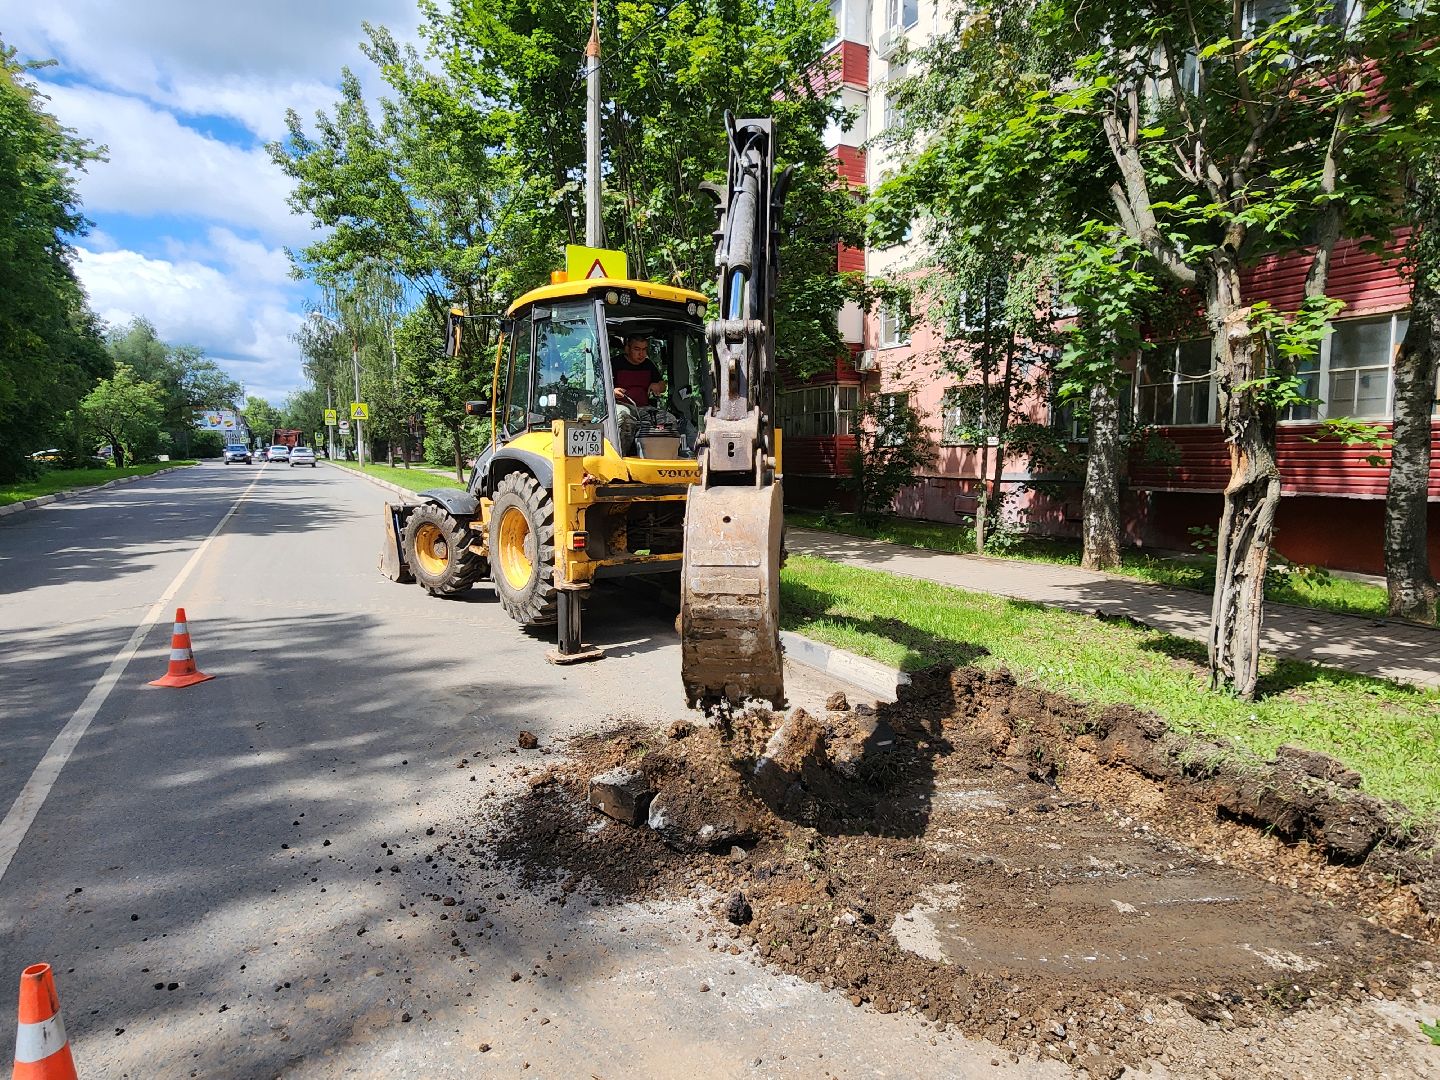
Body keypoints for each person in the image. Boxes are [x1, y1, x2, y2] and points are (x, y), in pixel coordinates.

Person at [613, 333, 666, 452]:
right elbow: (601, 387)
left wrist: (657, 385)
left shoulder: (648, 365)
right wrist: (612, 391)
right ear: (627, 349)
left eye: (644, 349)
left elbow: (663, 386)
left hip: (643, 408)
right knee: (624, 418)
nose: (641, 354)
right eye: (637, 349)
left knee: (669, 420)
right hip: (621, 406)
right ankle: (620, 454)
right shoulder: (614, 363)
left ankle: (661, 455)